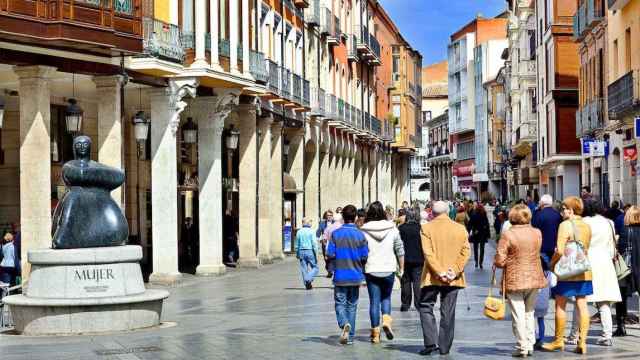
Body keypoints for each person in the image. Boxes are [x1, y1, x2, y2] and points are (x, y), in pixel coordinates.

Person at [418, 201, 470, 356]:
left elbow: (428, 253)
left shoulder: (426, 228)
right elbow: (466, 252)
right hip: (453, 278)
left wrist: (439, 272)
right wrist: (453, 271)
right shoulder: (460, 229)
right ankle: (445, 346)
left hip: (432, 276)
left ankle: (430, 343)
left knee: (426, 306)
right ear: (448, 211)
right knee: (448, 311)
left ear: (432, 213)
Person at [494, 204, 547, 357]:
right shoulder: (537, 233)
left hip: (515, 279)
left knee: (518, 313)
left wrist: (498, 261)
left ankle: (521, 346)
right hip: (534, 277)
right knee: (530, 313)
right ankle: (530, 343)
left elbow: (500, 260)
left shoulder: (508, 234)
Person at [542, 196, 593, 354]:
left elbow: (560, 249)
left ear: (572, 210)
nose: (563, 211)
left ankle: (558, 340)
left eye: (566, 208)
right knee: (582, 304)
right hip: (583, 271)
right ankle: (582, 342)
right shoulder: (586, 225)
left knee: (560, 304)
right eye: (562, 208)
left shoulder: (565, 225)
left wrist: (552, 263)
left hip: (566, 272)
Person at [575, 200, 621, 346]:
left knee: (580, 300)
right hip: (605, 262)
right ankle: (607, 335)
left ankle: (576, 334)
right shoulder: (609, 223)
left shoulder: (582, 222)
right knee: (604, 301)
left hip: (587, 262)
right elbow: (612, 246)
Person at [360, 201, 405, 343]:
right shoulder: (393, 228)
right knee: (386, 298)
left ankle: (375, 333)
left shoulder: (363, 230)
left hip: (371, 268)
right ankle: (386, 320)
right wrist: (401, 268)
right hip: (388, 268)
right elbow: (400, 249)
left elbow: (361, 252)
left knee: (374, 301)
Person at [326, 205, 368, 345]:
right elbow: (364, 256)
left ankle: (344, 323)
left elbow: (330, 253)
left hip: (340, 276)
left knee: (340, 303)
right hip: (355, 276)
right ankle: (349, 337)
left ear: (343, 217)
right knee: (352, 306)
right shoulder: (360, 235)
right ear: (355, 217)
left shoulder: (336, 234)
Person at [614, 205, 640, 336]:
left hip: (625, 268)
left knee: (621, 297)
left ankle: (621, 325)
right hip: (638, 267)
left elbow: (620, 249)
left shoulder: (624, 230)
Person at [399, 208, 424, 313]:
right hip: (418, 258)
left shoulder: (401, 228)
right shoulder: (421, 228)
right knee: (418, 281)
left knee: (405, 281)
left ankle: (405, 304)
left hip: (405, 259)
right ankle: (419, 304)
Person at [532, 194, 563, 269]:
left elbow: (533, 230)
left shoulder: (538, 215)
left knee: (544, 271)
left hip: (542, 248)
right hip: (555, 248)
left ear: (542, 203)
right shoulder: (558, 215)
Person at [296, 217, 319, 290]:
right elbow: (314, 243)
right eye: (311, 222)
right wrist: (316, 254)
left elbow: (297, 244)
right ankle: (308, 279)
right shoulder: (311, 231)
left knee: (304, 269)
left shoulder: (299, 232)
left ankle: (307, 285)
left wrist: (297, 253)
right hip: (310, 251)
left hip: (301, 251)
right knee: (315, 268)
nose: (311, 224)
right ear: (308, 223)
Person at [468, 203, 490, 269]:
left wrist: (469, 231)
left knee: (475, 248)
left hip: (476, 233)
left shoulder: (474, 214)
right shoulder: (484, 214)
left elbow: (470, 224)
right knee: (482, 249)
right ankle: (481, 262)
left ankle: (476, 262)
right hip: (482, 233)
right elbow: (487, 224)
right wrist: (488, 234)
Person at [323, 213, 344, 278]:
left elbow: (324, 239)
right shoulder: (343, 227)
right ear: (341, 219)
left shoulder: (328, 227)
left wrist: (326, 247)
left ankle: (331, 271)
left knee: (332, 260)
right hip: (341, 248)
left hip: (332, 247)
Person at [317, 210, 334, 277]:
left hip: (333, 242)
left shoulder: (335, 223)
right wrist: (319, 239)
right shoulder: (322, 223)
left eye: (331, 215)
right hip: (325, 242)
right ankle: (328, 268)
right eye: (328, 215)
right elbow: (318, 232)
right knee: (326, 258)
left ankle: (330, 271)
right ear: (326, 216)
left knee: (332, 257)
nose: (329, 217)